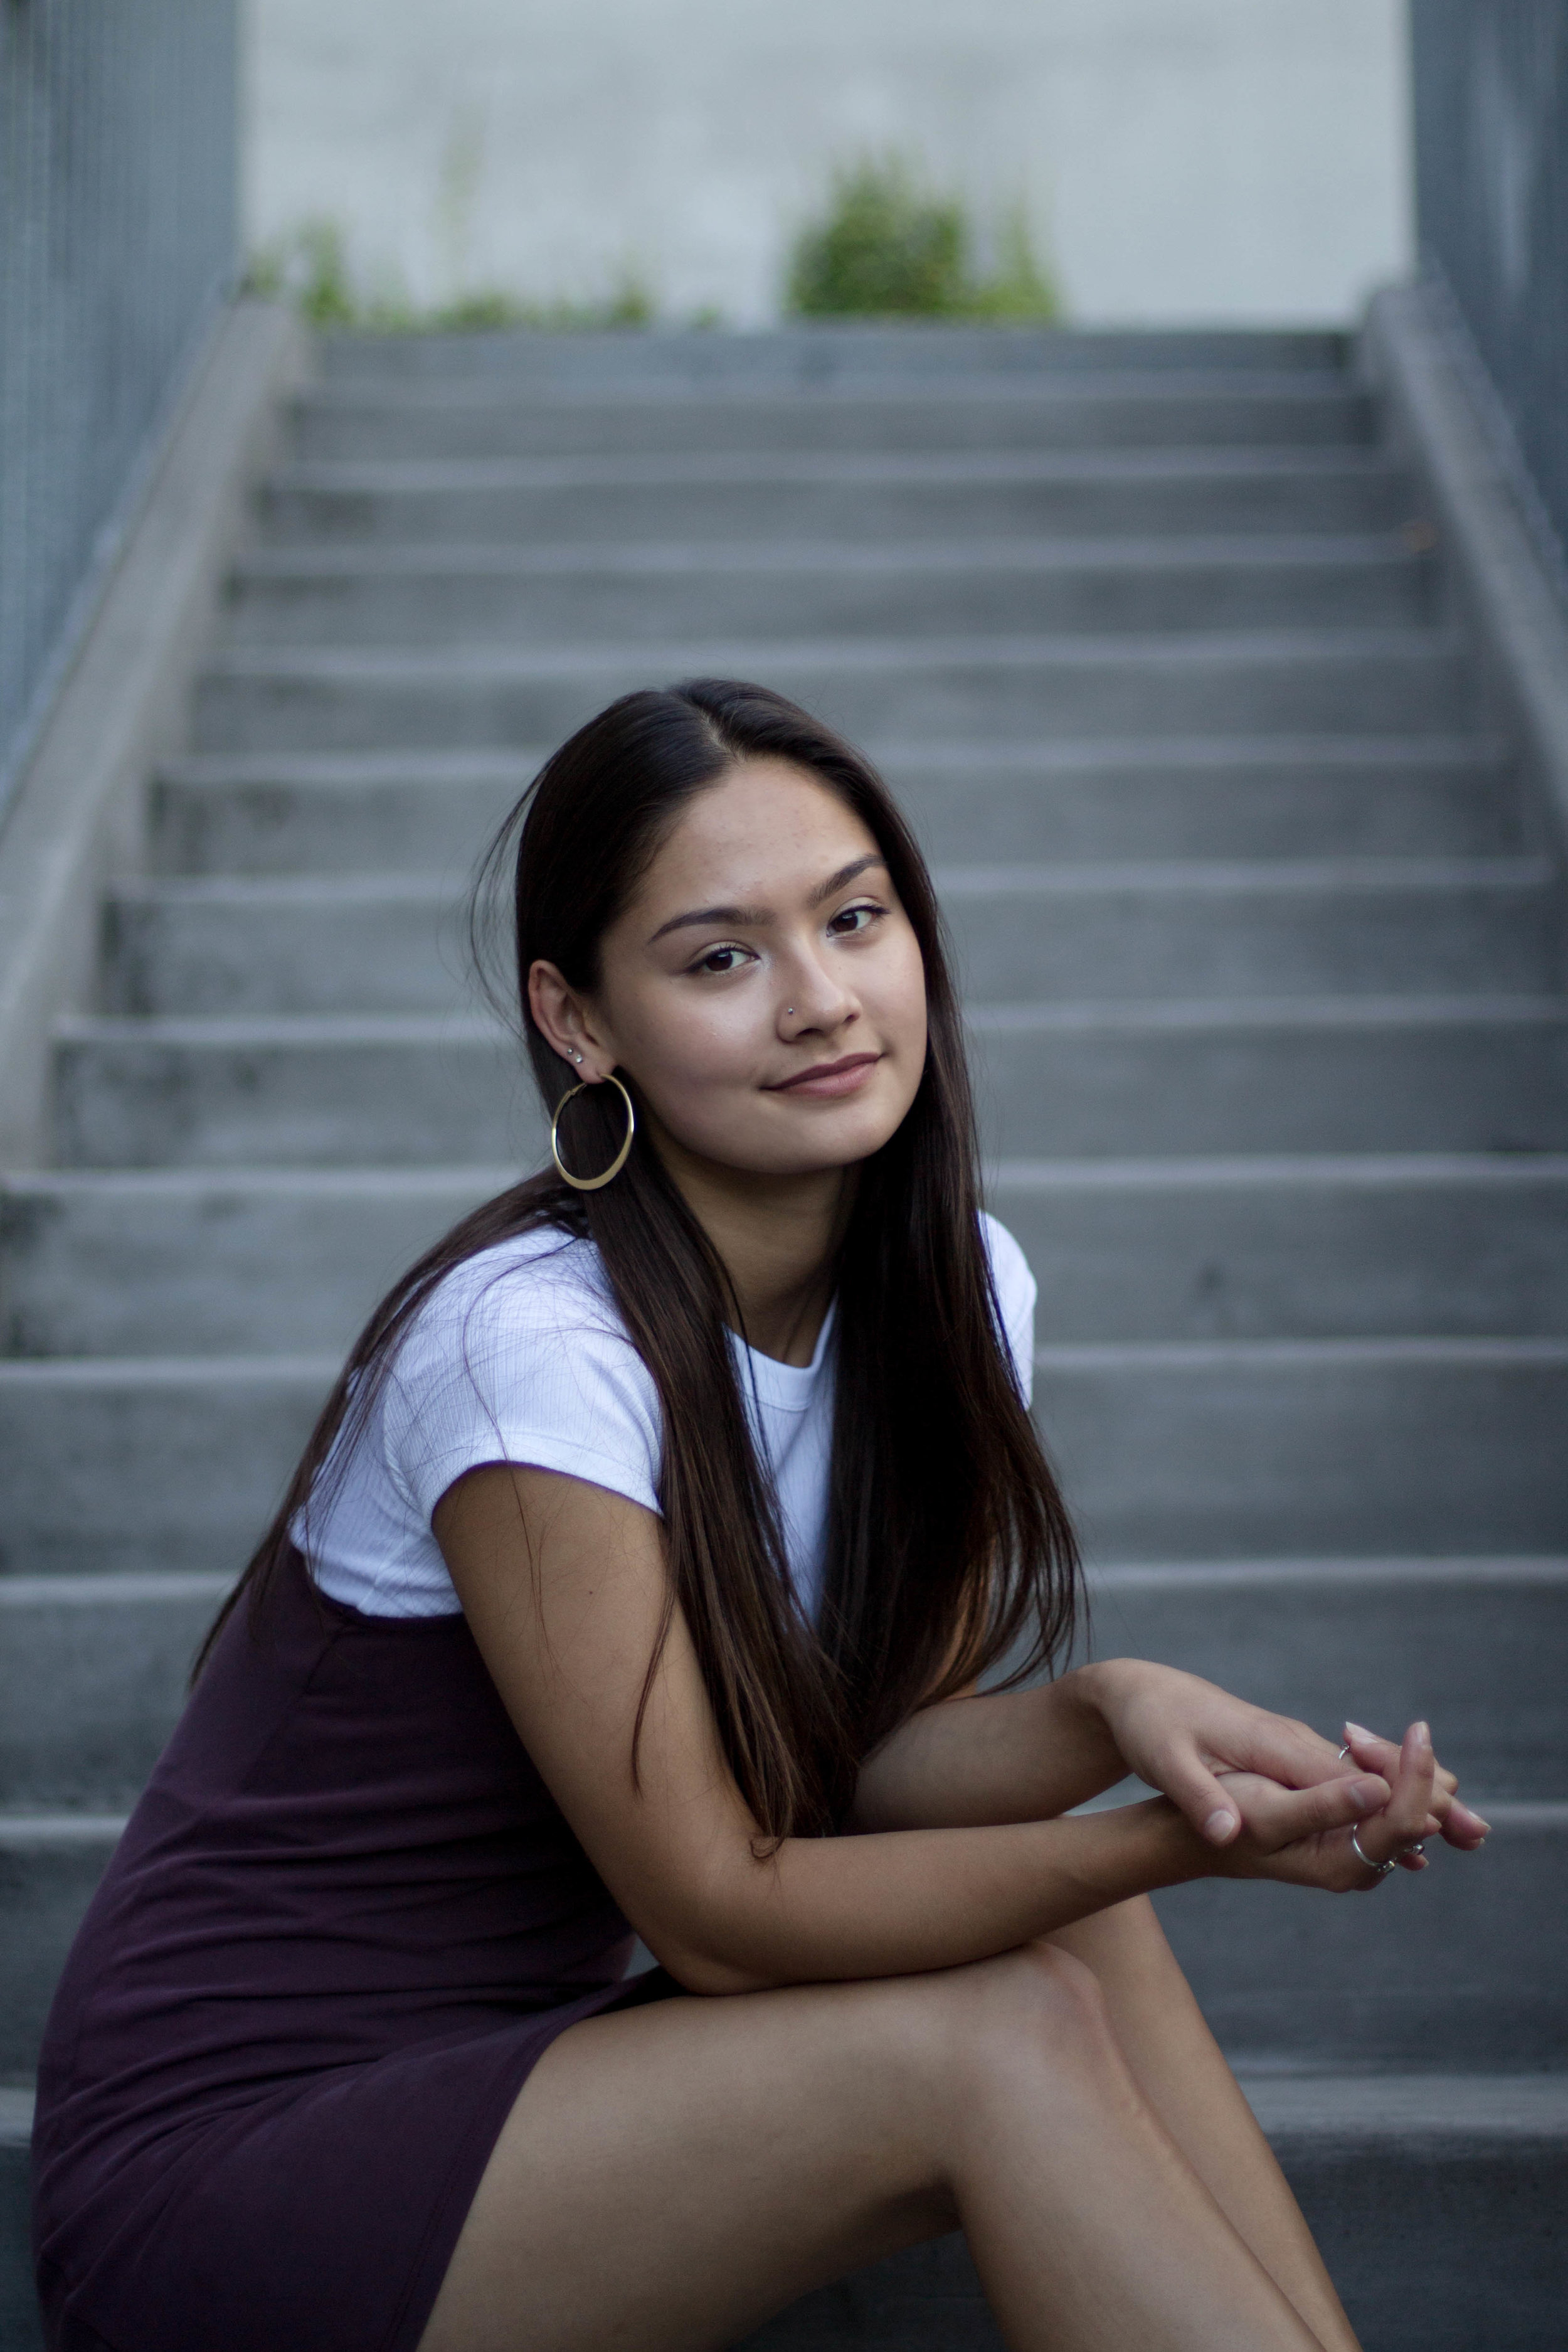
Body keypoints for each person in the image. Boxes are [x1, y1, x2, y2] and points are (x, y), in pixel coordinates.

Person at [31, 681, 1488, 2352]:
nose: (820, 1000)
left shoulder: (958, 1294)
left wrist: (1114, 1714)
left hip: (544, 2078)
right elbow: (720, 1916)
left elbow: (861, 1768)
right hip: (241, 2155)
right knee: (996, 2029)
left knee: (1061, 1910)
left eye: (854, 920)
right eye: (721, 958)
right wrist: (1189, 1842)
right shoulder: (532, 1353)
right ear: (579, 1023)